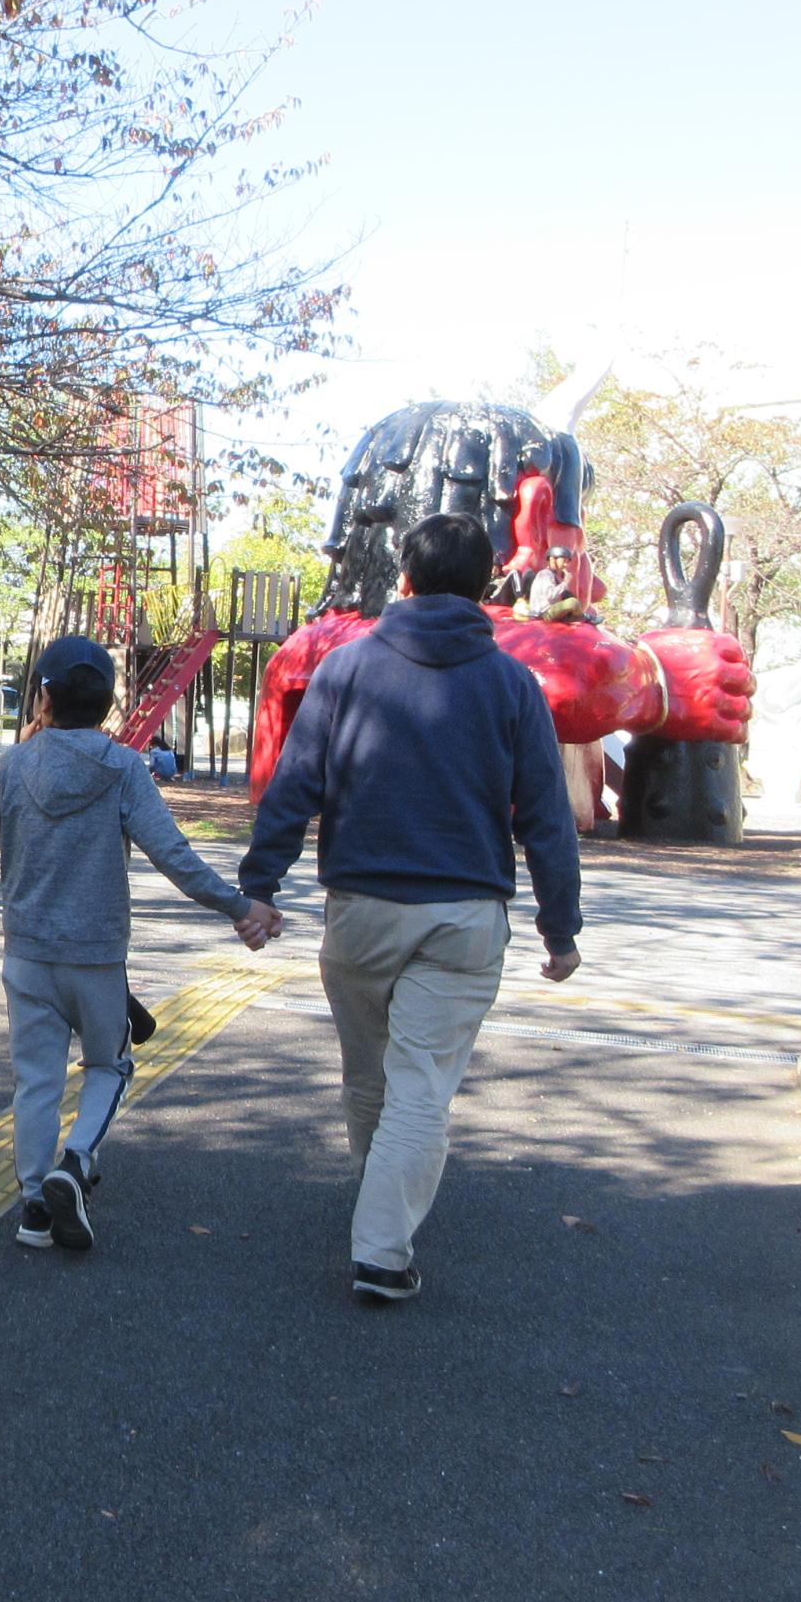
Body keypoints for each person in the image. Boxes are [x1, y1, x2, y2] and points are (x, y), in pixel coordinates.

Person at [236, 511, 583, 1305]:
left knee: (370, 1075)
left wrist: (261, 886)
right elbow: (546, 818)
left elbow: (296, 784)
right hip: (464, 916)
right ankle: (383, 1245)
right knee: (419, 1084)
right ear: (487, 584)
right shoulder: (511, 685)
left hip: (360, 910)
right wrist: (559, 927)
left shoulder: (347, 669)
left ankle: (381, 1220)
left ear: (404, 578)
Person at [0, 634, 283, 1253]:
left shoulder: (13, 764)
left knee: (36, 1081)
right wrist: (239, 906)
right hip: (96, 957)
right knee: (109, 1066)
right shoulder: (122, 768)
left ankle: (34, 1206)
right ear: (107, 703)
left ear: (43, 698)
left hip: (27, 952)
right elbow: (173, 856)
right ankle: (75, 1162)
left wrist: (26, 752)